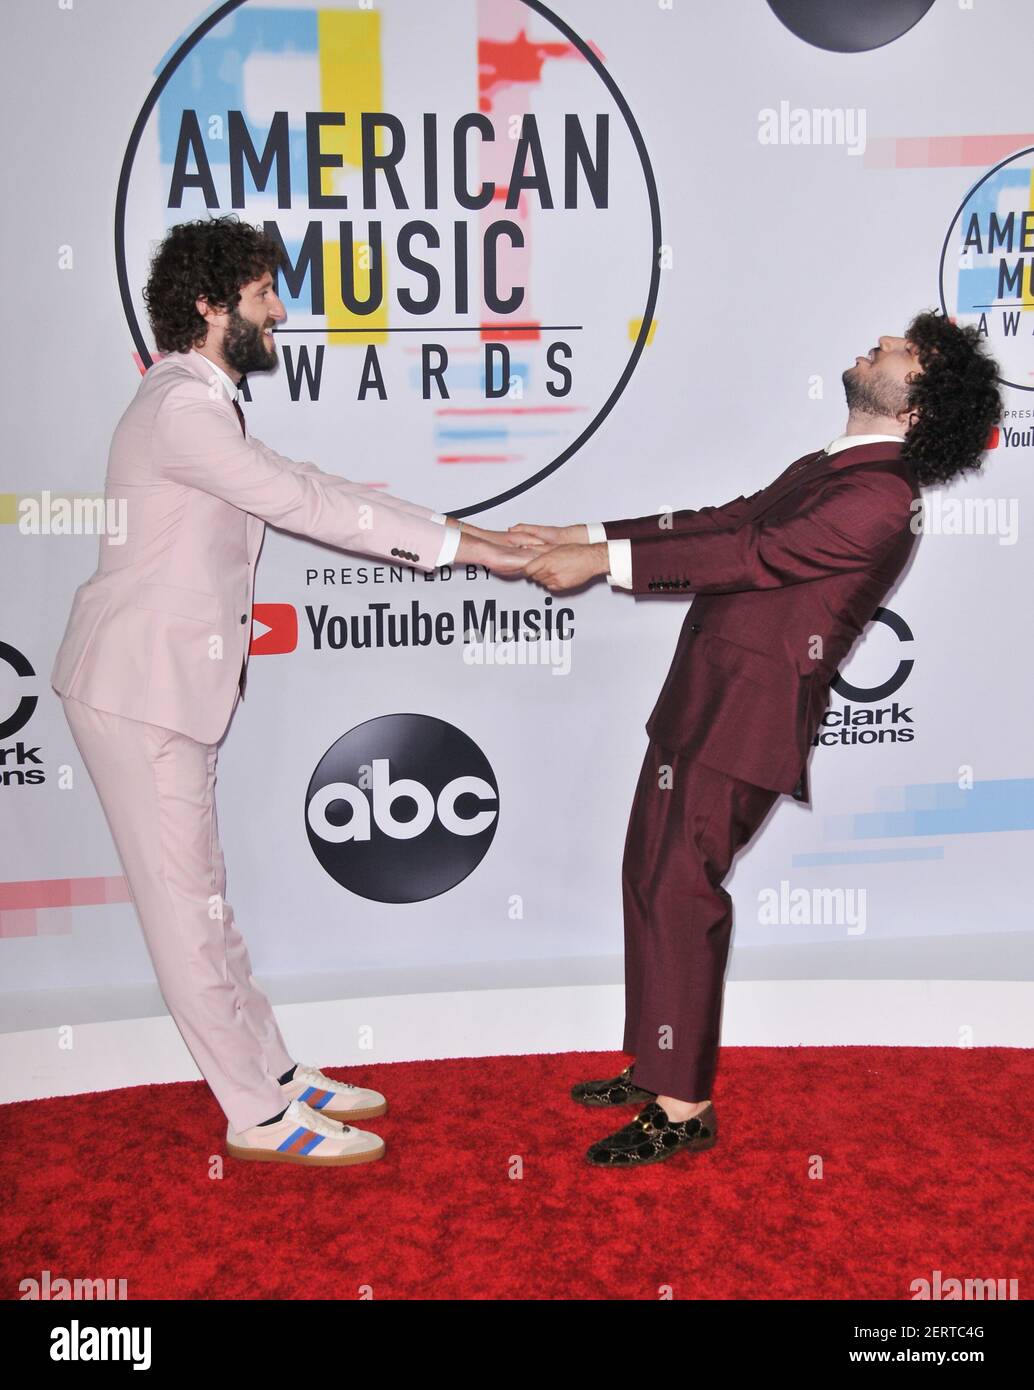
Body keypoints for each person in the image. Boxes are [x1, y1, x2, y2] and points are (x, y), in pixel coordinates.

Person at [50, 215, 534, 1167]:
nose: (283, 310)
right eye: (265, 293)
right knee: (186, 910)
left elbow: (300, 479)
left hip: (161, 687)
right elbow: (302, 503)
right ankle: (255, 1114)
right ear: (208, 303)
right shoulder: (179, 409)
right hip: (139, 689)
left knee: (205, 899)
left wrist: (455, 530)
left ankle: (272, 1074)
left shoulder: (199, 401)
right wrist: (463, 547)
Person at [513, 312, 1002, 1167]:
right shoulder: (835, 465)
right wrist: (587, 538)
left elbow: (755, 554)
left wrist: (601, 567)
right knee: (652, 871)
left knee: (681, 887)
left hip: (749, 713)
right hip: (707, 694)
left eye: (904, 351)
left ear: (918, 406)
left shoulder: (884, 496)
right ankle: (657, 1061)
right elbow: (723, 519)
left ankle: (683, 1105)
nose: (881, 343)